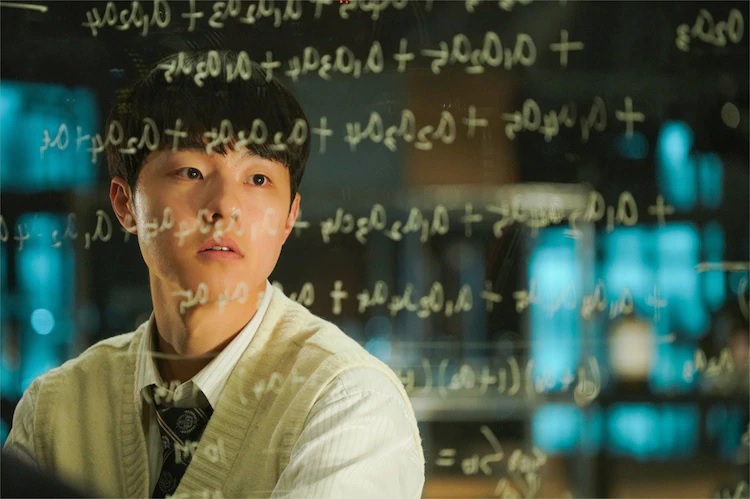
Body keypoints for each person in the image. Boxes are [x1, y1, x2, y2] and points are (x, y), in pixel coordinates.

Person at [3, 51, 425, 498]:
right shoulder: (54, 410)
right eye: (191, 171)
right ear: (126, 204)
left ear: (289, 216)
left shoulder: (345, 401)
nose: (224, 207)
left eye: (258, 179)